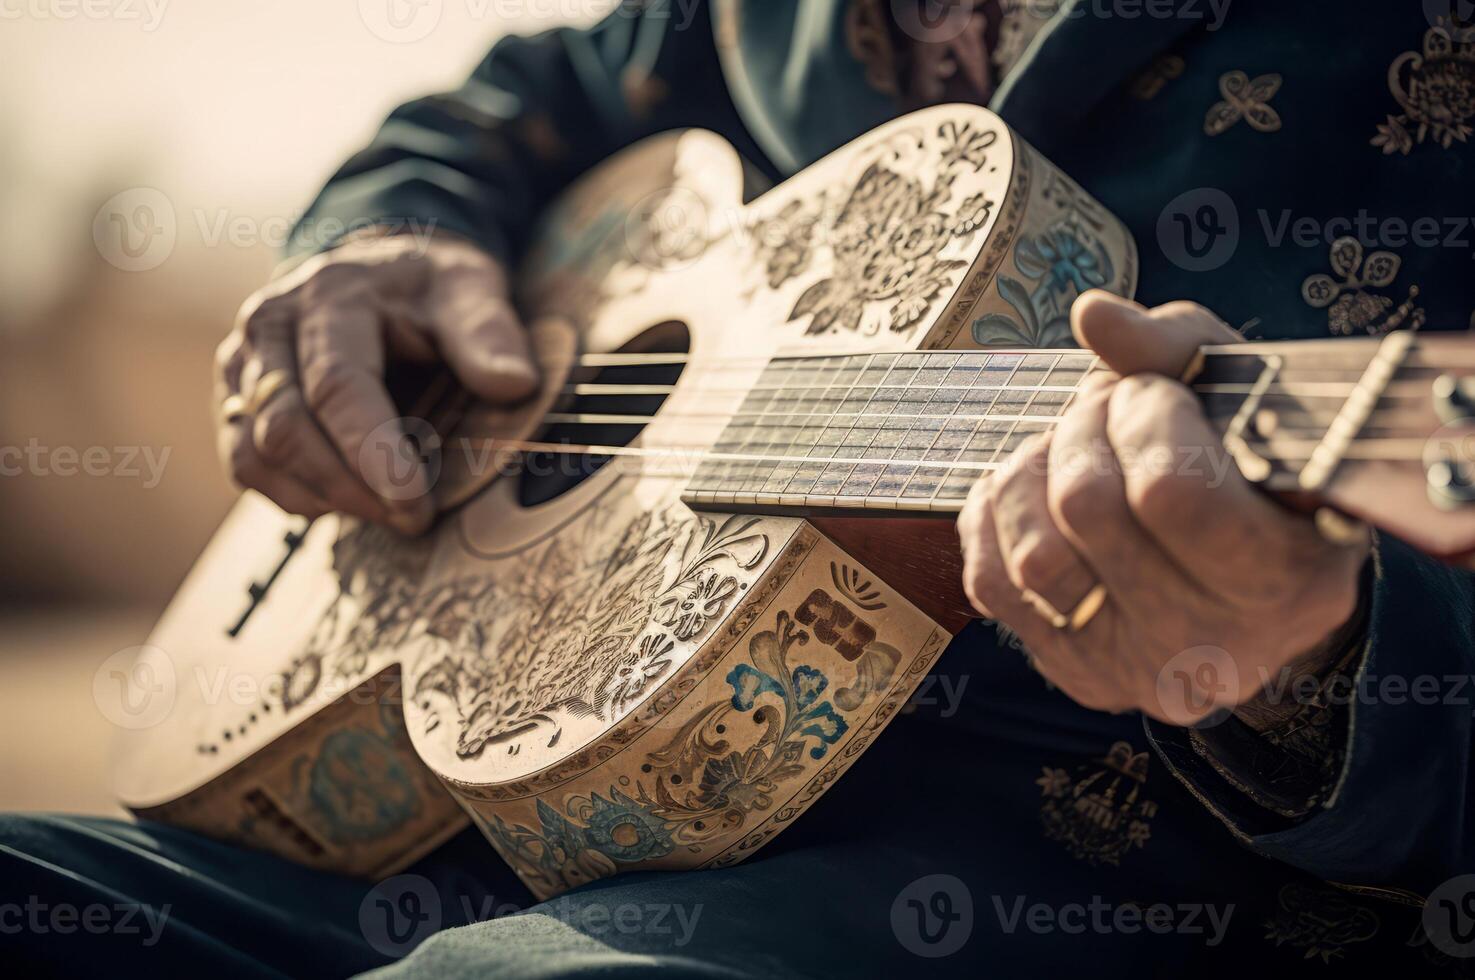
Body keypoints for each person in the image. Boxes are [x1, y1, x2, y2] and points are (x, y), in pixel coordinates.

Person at [7, 2, 1475, 976]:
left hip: (1027, 896)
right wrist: (377, 239)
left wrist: (1316, 662)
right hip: (450, 828)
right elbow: (537, 94)